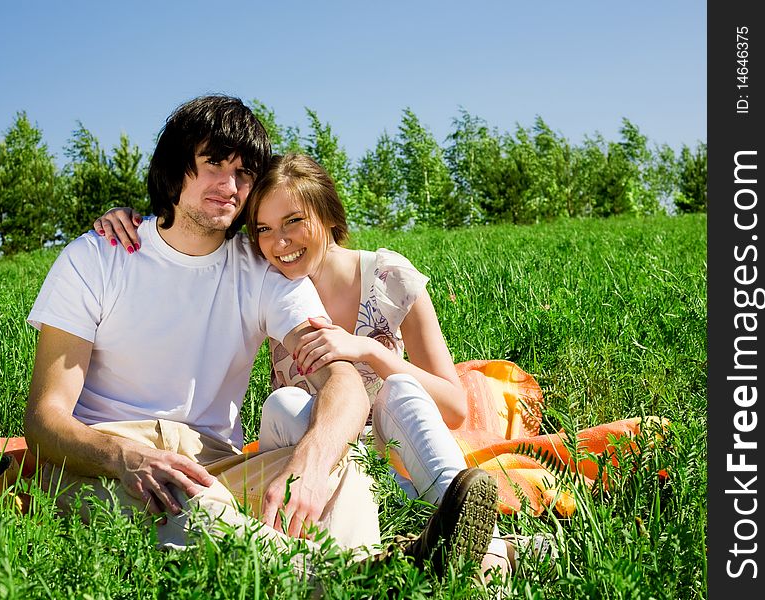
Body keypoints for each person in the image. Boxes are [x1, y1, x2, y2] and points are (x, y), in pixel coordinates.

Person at [26, 95, 498, 576]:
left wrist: (311, 465)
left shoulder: (260, 272)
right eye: (213, 163)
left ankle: (373, 571)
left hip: (217, 463)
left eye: (244, 173)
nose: (229, 185)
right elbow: (45, 419)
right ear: (174, 168)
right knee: (196, 504)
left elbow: (343, 381)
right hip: (107, 461)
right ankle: (375, 578)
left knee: (340, 472)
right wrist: (122, 455)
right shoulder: (98, 256)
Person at [94, 153, 550, 578]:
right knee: (287, 401)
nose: (280, 243)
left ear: (329, 216)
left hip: (391, 446)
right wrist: (133, 218)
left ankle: (476, 530)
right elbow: (196, 233)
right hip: (306, 449)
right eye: (265, 229)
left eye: (294, 222)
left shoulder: (388, 279)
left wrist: (368, 351)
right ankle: (490, 551)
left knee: (401, 392)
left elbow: (453, 407)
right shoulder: (266, 278)